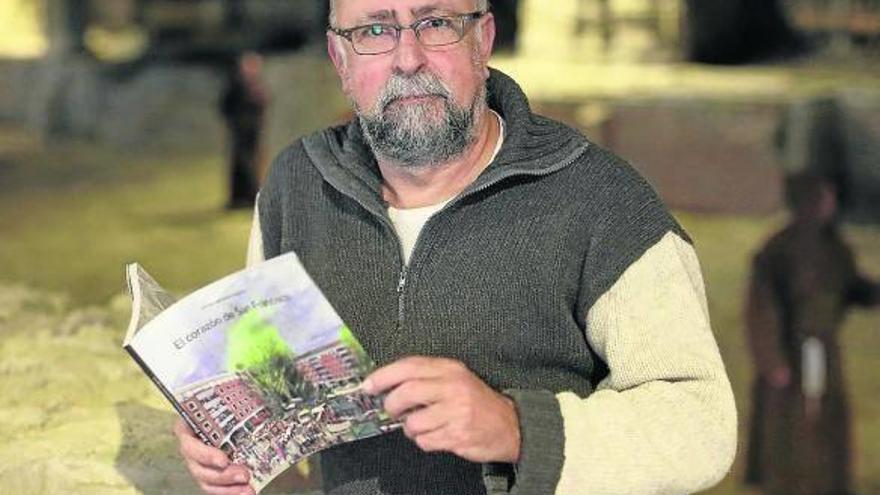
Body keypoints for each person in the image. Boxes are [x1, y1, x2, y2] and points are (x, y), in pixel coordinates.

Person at [175, 1, 737, 493]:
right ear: (339, 59)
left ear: (483, 40)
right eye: (373, 31)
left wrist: (519, 429)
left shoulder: (603, 203)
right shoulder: (296, 186)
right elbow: (274, 387)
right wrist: (228, 439)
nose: (408, 59)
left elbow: (702, 426)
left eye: (436, 23)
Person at [743, 174, 879, 495]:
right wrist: (772, 361)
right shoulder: (778, 249)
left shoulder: (835, 249)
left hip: (824, 351)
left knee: (825, 422)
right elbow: (761, 308)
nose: (828, 205)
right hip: (789, 352)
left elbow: (851, 287)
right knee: (789, 425)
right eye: (822, 198)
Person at [220, 51, 269, 210]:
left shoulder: (255, 85)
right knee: (242, 165)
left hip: (253, 131)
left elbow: (263, 105)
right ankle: (242, 198)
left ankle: (249, 197)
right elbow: (226, 107)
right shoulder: (236, 86)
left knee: (253, 163)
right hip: (241, 131)